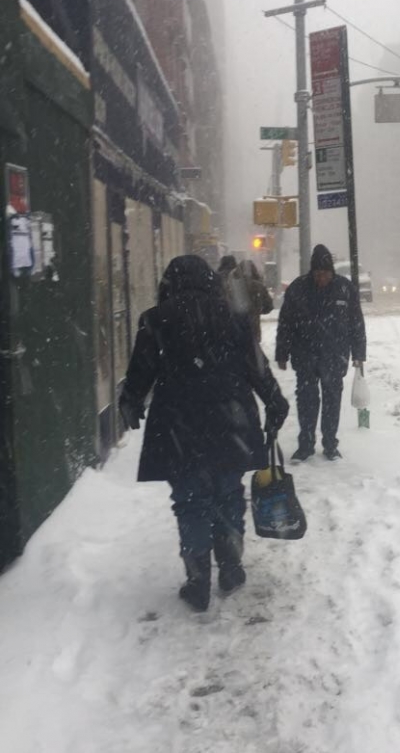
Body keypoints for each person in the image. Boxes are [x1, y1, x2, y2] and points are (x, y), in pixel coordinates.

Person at [118, 255, 289, 612]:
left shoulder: (156, 319)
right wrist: (274, 401)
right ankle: (230, 566)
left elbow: (141, 371)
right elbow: (255, 367)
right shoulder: (233, 316)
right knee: (228, 493)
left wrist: (131, 403)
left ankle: (198, 580)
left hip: (180, 426)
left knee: (191, 500)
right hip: (231, 422)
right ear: (210, 280)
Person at [275, 244, 366, 462]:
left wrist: (359, 353)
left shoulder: (345, 289)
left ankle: (330, 444)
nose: (321, 278)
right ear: (312, 271)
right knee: (306, 400)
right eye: (317, 274)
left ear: (332, 272)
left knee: (332, 400)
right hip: (304, 354)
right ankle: (305, 445)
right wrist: (282, 352)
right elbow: (285, 323)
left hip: (335, 355)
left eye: (325, 274)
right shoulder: (298, 289)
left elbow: (356, 322)